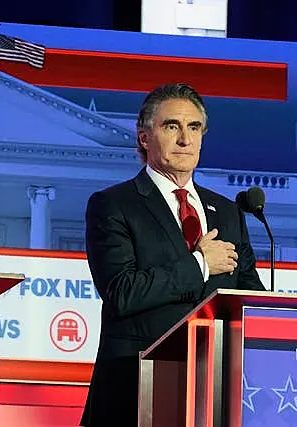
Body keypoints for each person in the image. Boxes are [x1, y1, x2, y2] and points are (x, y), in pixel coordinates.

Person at [80, 83, 265, 426]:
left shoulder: (227, 212)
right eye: (171, 126)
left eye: (194, 128)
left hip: (215, 393)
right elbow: (122, 292)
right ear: (144, 138)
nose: (185, 139)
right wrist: (200, 264)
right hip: (137, 390)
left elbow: (249, 297)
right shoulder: (114, 205)